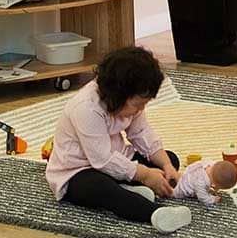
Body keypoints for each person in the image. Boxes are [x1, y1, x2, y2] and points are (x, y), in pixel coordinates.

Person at [45, 47, 190, 233]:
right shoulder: (86, 108)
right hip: (77, 172)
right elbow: (102, 159)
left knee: (169, 159)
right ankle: (158, 213)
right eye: (138, 105)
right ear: (118, 94)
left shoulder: (128, 103)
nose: (140, 110)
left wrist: (167, 165)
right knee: (103, 189)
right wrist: (145, 175)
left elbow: (142, 134)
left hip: (115, 160)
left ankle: (128, 190)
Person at [170, 159, 237, 207]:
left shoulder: (210, 164)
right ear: (214, 185)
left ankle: (174, 178)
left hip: (188, 174)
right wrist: (213, 199)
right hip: (183, 188)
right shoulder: (201, 183)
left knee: (181, 179)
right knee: (173, 193)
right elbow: (203, 197)